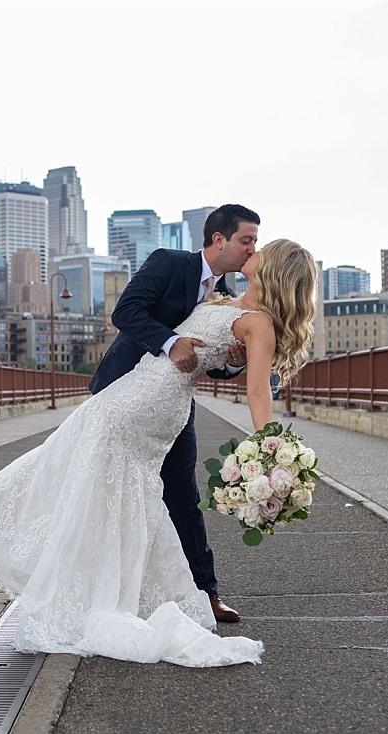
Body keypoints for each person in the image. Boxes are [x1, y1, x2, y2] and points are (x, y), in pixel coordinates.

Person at [0, 237, 319, 667]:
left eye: (261, 247)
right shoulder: (223, 299)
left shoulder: (258, 323)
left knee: (73, 460)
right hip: (138, 387)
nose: (253, 249)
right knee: (91, 472)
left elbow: (258, 388)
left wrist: (270, 449)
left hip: (153, 403)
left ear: (273, 267)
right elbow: (164, 327)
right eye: (248, 240)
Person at [89, 204, 259, 624]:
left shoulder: (228, 296)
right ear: (218, 239)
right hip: (125, 393)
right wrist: (170, 342)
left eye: (255, 241)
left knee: (182, 494)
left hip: (172, 404)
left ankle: (206, 594)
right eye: (246, 240)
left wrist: (233, 361)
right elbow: (125, 312)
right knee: (104, 492)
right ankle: (100, 588)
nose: (252, 249)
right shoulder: (169, 262)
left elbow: (210, 360)